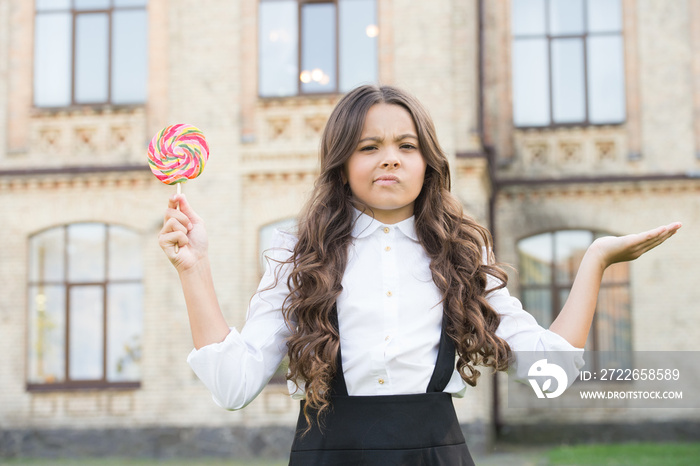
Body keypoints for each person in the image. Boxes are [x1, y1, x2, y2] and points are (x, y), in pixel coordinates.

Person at [158, 85, 681, 465]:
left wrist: (595, 262)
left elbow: (553, 376)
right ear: (341, 164)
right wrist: (194, 268)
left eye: (406, 146)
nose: (390, 160)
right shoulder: (297, 253)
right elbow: (235, 386)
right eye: (369, 147)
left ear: (428, 162)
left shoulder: (461, 256)